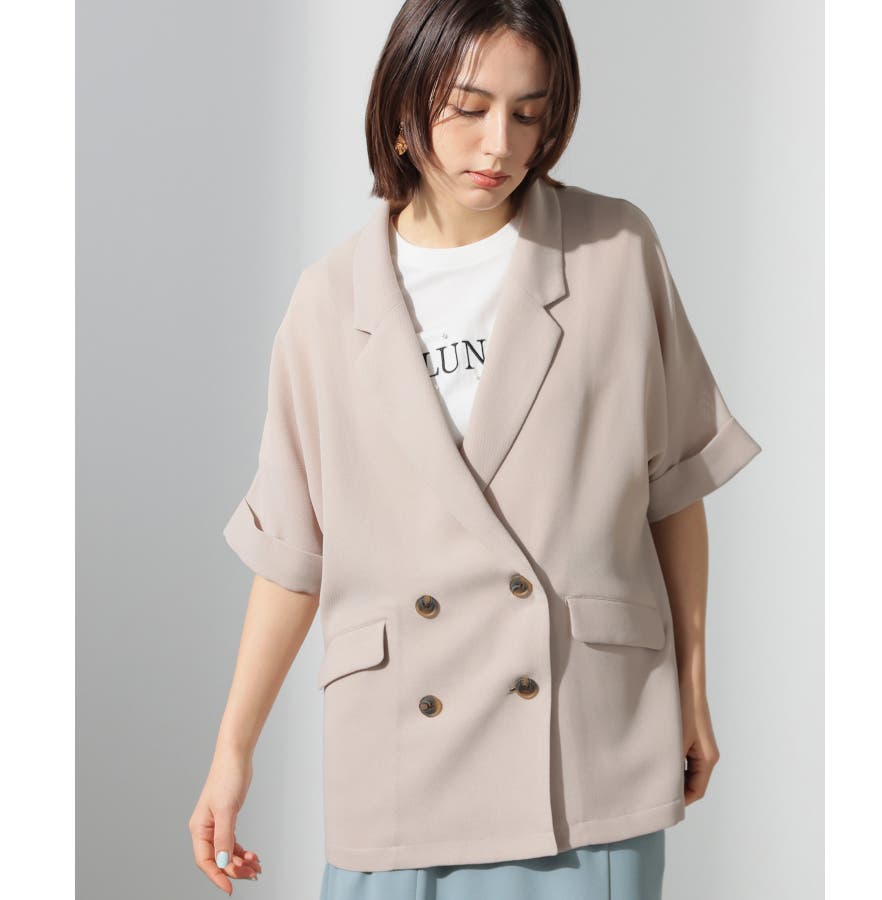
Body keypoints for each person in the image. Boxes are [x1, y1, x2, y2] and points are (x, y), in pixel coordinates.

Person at [188, 1, 762, 898]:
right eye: (468, 108)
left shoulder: (614, 252)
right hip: (398, 759)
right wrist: (232, 752)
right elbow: (293, 554)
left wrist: (693, 688)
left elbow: (674, 490)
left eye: (528, 114)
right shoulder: (327, 304)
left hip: (582, 749)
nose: (500, 146)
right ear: (404, 102)